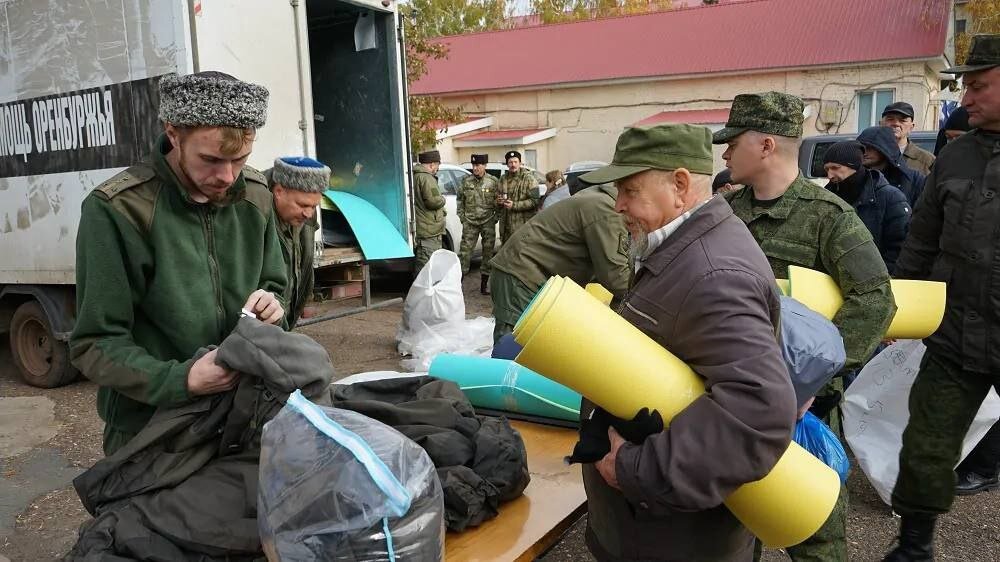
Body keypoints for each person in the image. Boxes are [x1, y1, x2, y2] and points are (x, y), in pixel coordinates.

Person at [573, 123, 796, 562]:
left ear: (678, 185)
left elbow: (759, 415)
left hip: (673, 539)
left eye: (629, 190)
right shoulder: (683, 247)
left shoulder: (714, 274)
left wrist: (633, 470)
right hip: (652, 529)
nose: (618, 205)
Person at [717, 92, 896, 562]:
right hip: (734, 397)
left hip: (803, 407)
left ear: (767, 144)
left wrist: (816, 379)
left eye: (733, 142)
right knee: (731, 524)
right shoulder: (728, 215)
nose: (724, 153)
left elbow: (876, 298)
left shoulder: (827, 217)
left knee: (815, 532)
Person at [69, 71, 288, 456]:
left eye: (240, 160)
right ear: (173, 134)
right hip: (151, 432)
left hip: (241, 417)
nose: (226, 176)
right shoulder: (117, 209)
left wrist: (272, 305)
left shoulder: (256, 196)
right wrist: (181, 379)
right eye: (211, 159)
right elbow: (95, 343)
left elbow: (274, 283)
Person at [884, 34, 1000, 562]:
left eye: (978, 86)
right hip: (955, 337)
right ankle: (913, 547)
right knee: (926, 445)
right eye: (965, 86)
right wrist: (898, 317)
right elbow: (920, 245)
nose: (965, 98)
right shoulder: (954, 158)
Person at [488, 179, 631, 343]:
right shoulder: (607, 211)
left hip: (533, 276)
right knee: (515, 351)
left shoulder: (602, 201)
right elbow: (616, 277)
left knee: (537, 349)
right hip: (521, 276)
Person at [822, 141, 911, 274]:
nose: (830, 175)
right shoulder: (827, 196)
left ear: (854, 165)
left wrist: (880, 277)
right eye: (827, 169)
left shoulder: (890, 197)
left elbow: (900, 247)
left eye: (835, 167)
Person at [268, 156, 329, 326]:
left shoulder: (305, 214)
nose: (308, 214)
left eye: (313, 206)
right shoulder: (255, 214)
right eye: (302, 205)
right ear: (278, 192)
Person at [457, 153, 499, 294]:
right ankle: (458, 285)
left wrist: (495, 217)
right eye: (474, 165)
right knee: (465, 253)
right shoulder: (465, 181)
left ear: (485, 166)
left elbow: (498, 201)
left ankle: (483, 286)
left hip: (487, 222)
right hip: (470, 222)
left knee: (488, 253)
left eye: (478, 165)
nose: (475, 168)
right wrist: (462, 217)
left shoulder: (493, 181)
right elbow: (459, 200)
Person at [856, 126, 927, 208]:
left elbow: (923, 213)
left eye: (869, 148)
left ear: (885, 149)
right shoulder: (855, 177)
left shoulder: (913, 179)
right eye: (861, 148)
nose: (864, 152)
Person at [412, 149, 446, 271]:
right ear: (432, 164)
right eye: (437, 166)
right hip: (429, 232)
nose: (437, 169)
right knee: (426, 271)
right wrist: (443, 199)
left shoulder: (416, 176)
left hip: (423, 228)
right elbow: (434, 201)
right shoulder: (427, 178)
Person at [880, 102, 935, 175]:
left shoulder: (927, 160)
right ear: (880, 124)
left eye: (902, 120)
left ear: (911, 127)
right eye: (890, 119)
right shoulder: (868, 156)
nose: (896, 123)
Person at [497, 150, 539, 244]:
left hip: (522, 227)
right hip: (505, 228)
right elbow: (497, 199)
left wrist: (515, 205)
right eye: (510, 162)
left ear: (520, 163)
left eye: (515, 162)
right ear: (507, 164)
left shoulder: (529, 179)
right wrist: (498, 202)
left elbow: (535, 201)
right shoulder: (503, 179)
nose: (513, 164)